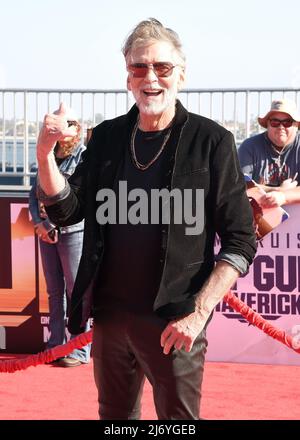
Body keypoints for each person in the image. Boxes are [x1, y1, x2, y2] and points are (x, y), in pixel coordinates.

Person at [35, 18, 256, 419]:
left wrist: (198, 312)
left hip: (175, 322)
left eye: (162, 67)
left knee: (178, 424)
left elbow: (241, 241)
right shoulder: (107, 137)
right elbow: (67, 210)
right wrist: (45, 155)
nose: (150, 77)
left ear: (181, 76)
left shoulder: (211, 141)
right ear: (127, 77)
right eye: (139, 67)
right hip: (110, 319)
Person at [29, 108, 90, 367]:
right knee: (55, 291)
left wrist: (51, 223)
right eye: (59, 124)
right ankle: (55, 345)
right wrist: (39, 223)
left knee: (76, 291)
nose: (64, 129)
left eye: (71, 124)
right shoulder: (47, 155)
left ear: (78, 129)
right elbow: (34, 193)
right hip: (47, 232)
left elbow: (76, 196)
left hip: (73, 232)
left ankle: (79, 349)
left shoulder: (84, 158)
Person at [238, 98, 300, 208]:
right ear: (267, 124)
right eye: (275, 122)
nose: (281, 127)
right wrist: (278, 190)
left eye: (287, 122)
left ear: (296, 125)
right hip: (259, 213)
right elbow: (241, 187)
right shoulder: (249, 147)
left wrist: (283, 196)